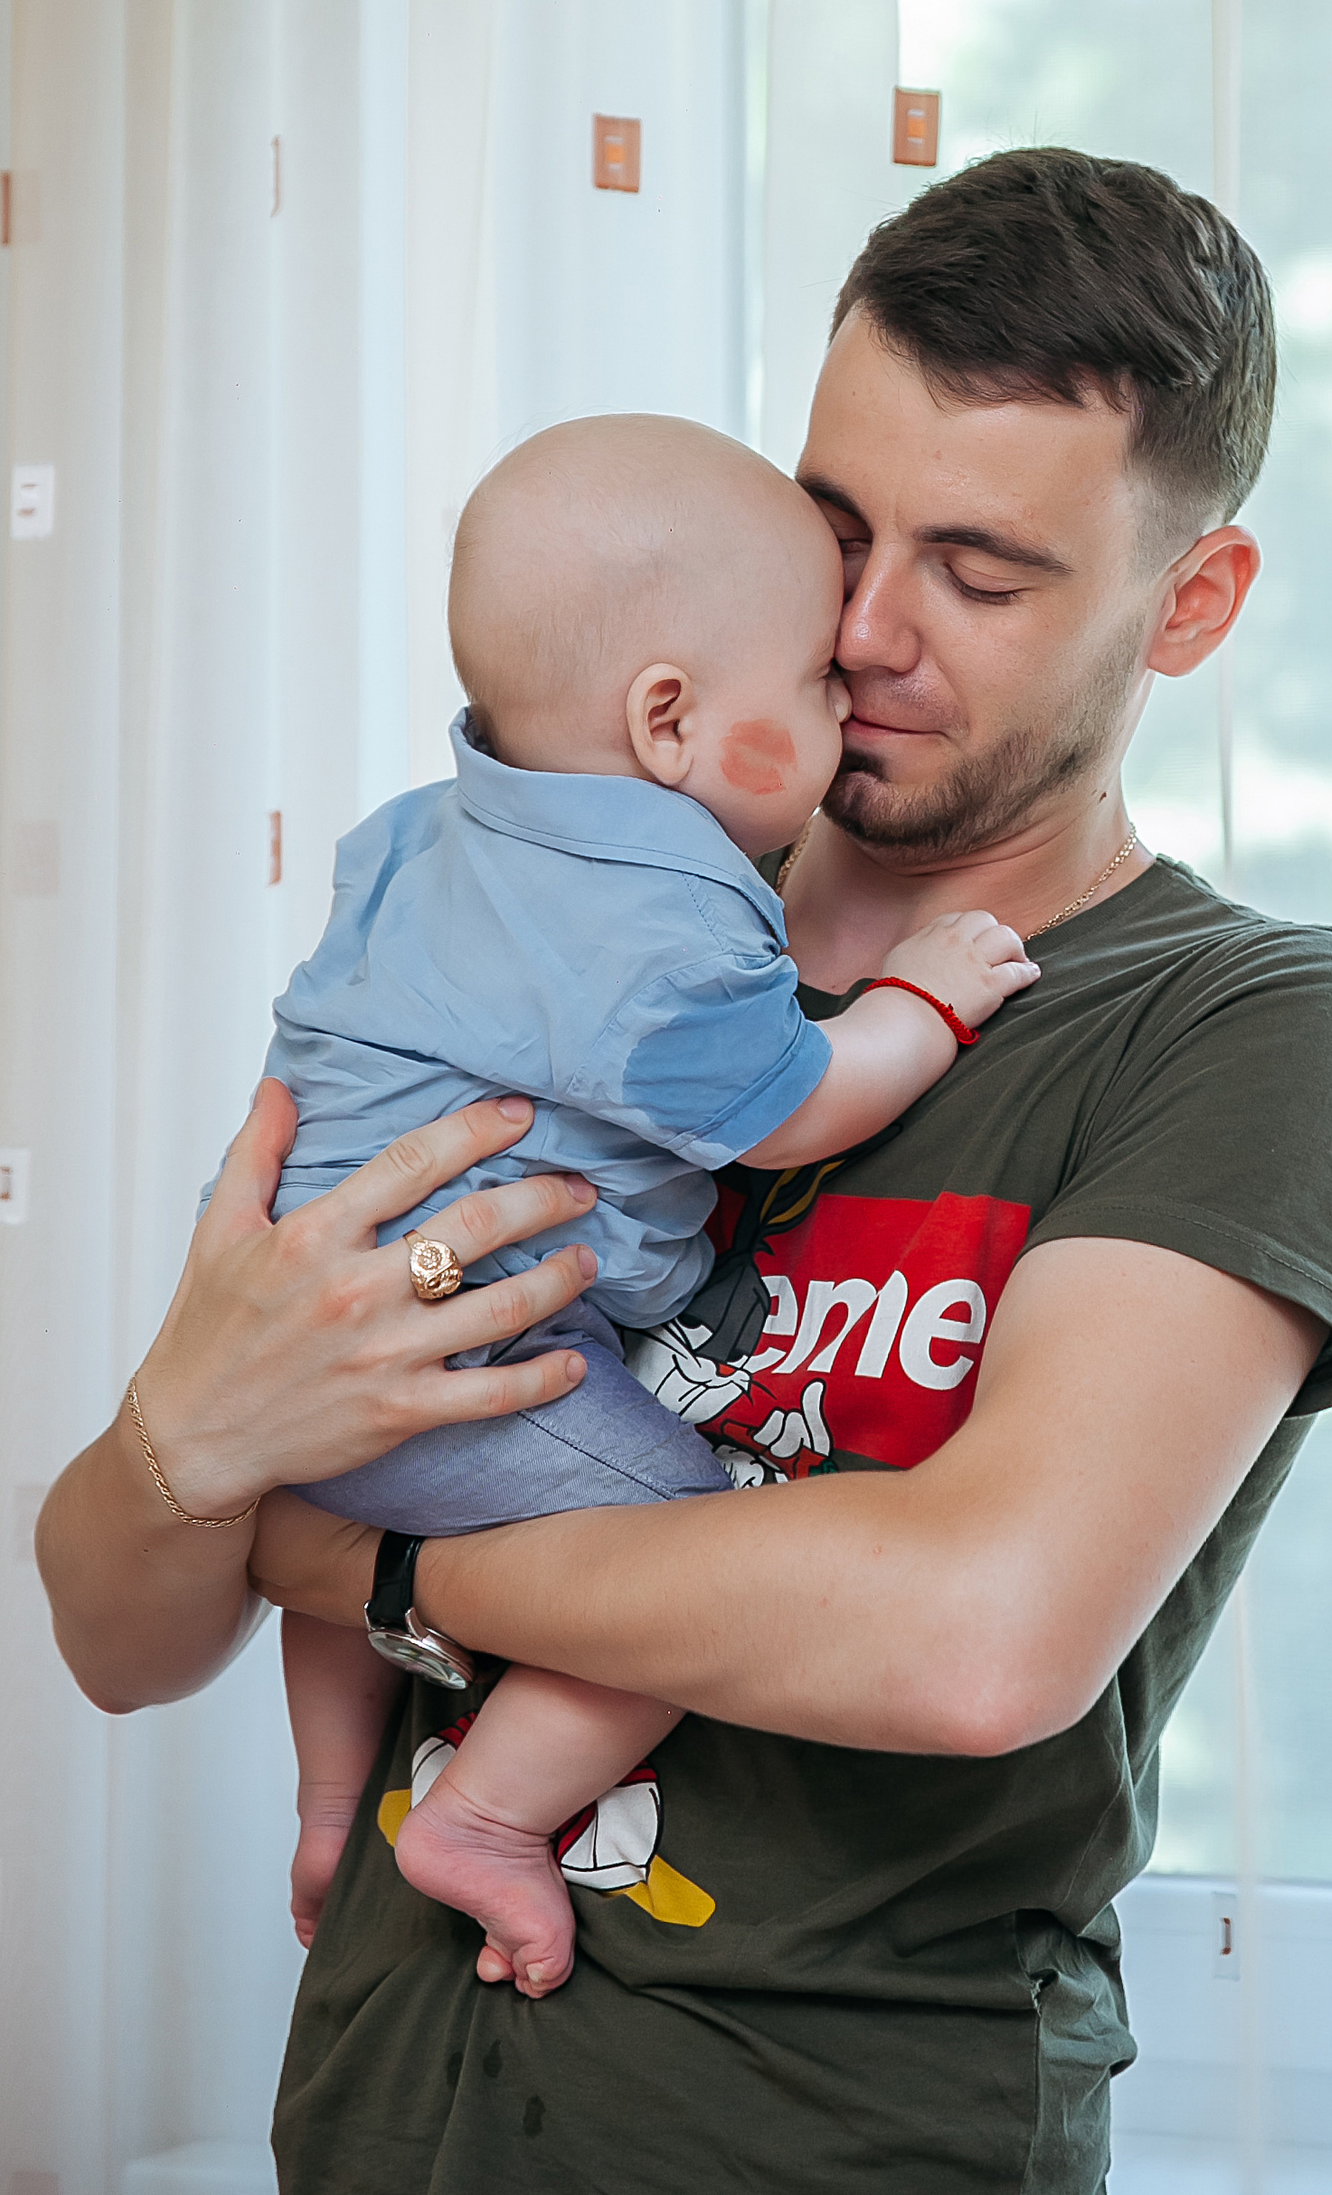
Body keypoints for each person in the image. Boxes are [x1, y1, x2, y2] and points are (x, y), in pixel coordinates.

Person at [38, 149, 1332, 2195]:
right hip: (385, 2176)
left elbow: (974, 1638)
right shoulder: (559, 922)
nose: (860, 631)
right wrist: (182, 1440)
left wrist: (342, 1543)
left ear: (1192, 605)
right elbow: (118, 1634)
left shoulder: (1242, 1024)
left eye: (980, 571)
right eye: (836, 528)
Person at [258, 415, 1035, 2000]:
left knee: (341, 1524)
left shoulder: (421, 832)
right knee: (686, 1553)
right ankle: (481, 1817)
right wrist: (924, 1000)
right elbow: (793, 1107)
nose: (851, 688)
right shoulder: (661, 921)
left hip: (284, 1327)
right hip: (458, 1351)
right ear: (668, 720)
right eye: (814, 681)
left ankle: (332, 1808)